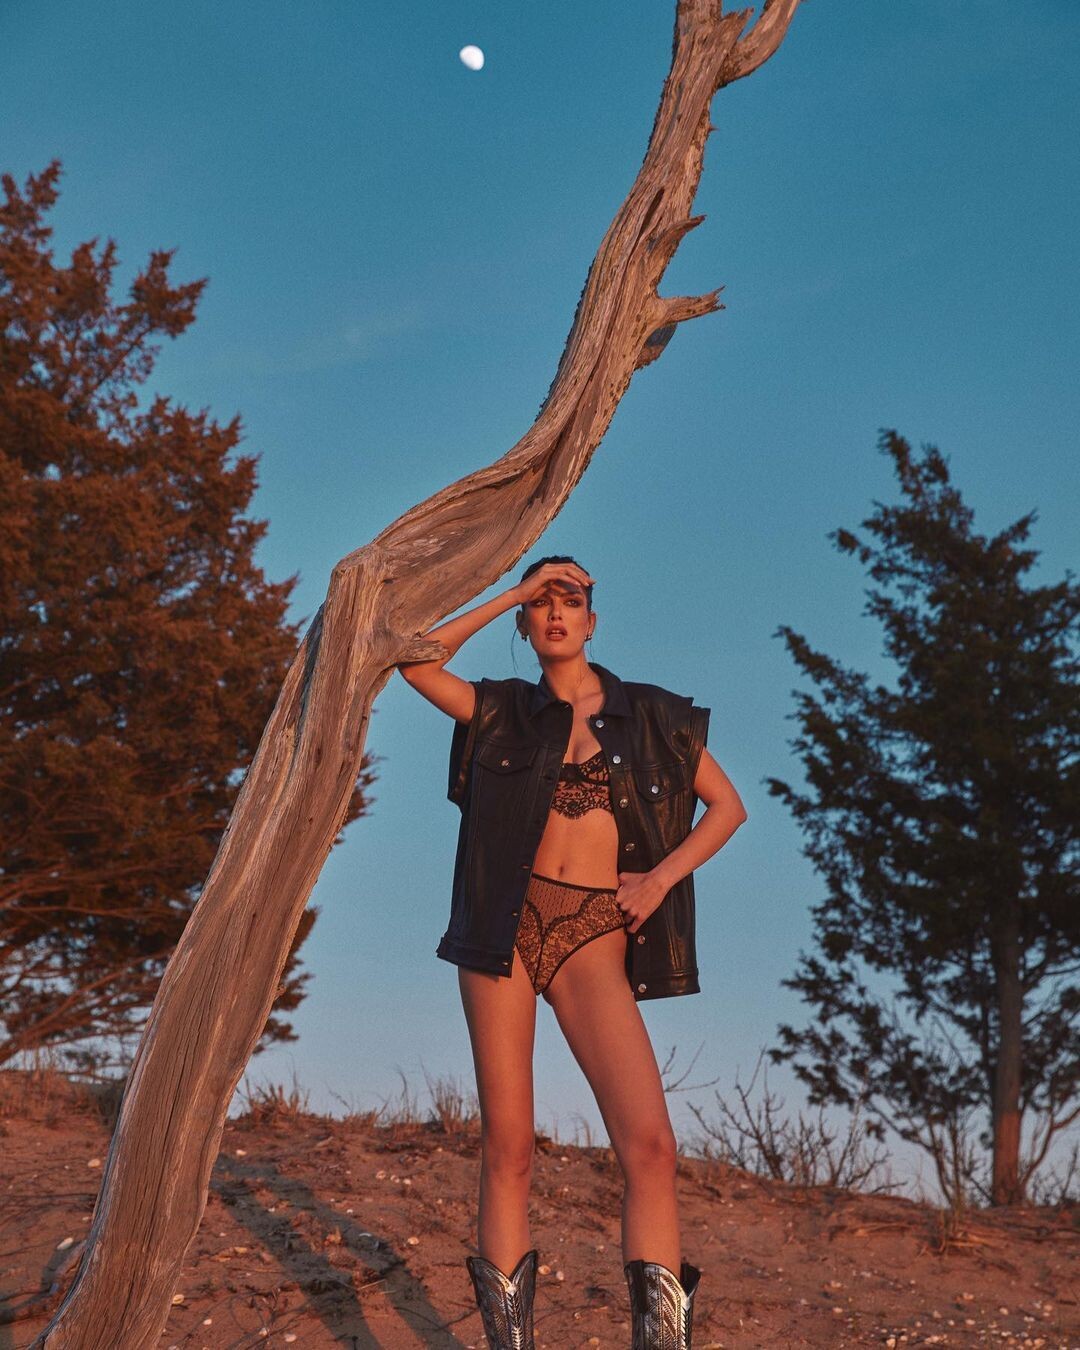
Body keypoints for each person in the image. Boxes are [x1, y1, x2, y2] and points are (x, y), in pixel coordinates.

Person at [397, 556, 747, 1349]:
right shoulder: (499, 710)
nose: (556, 611)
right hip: (503, 929)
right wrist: (510, 592)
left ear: (593, 621)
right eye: (542, 602)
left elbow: (727, 807)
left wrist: (659, 880)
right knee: (509, 1145)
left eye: (571, 599)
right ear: (527, 624)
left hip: (594, 932)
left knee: (651, 1148)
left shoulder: (652, 716)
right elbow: (416, 661)